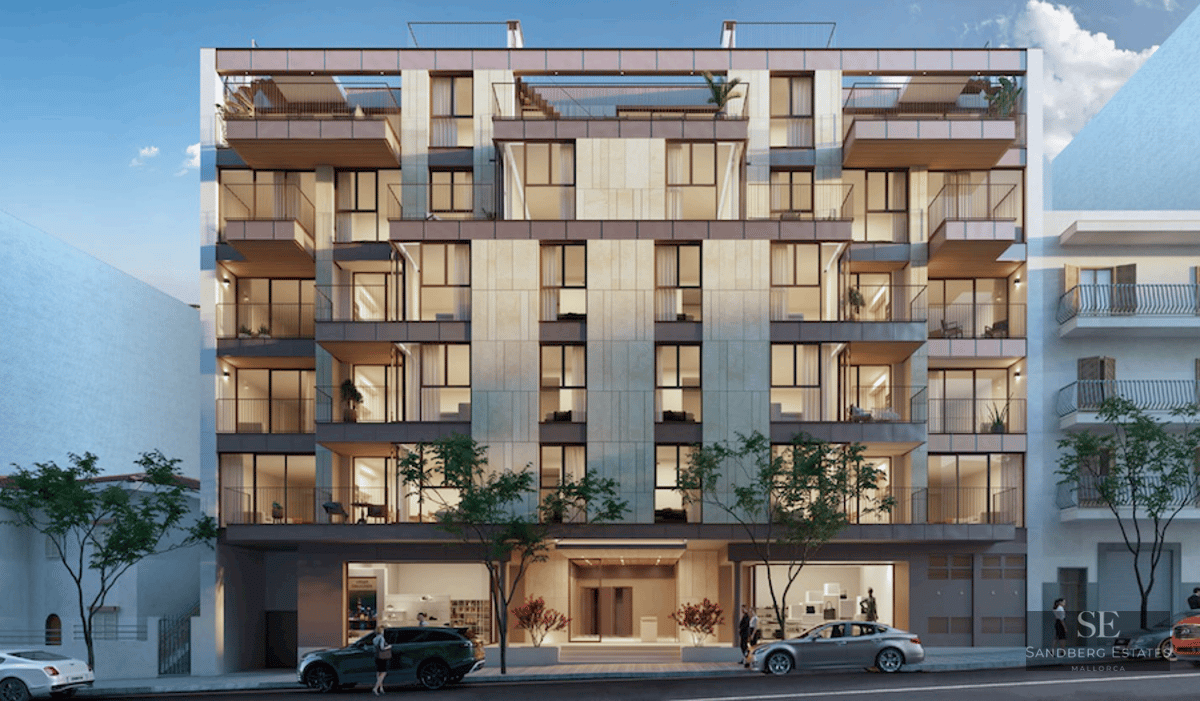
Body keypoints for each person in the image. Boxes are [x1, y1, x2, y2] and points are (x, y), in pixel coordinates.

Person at [371, 625, 391, 696]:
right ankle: (376, 687)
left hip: (377, 656)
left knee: (378, 672)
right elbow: (382, 648)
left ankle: (381, 688)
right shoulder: (381, 638)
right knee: (383, 672)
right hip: (382, 657)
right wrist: (388, 647)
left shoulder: (374, 639)